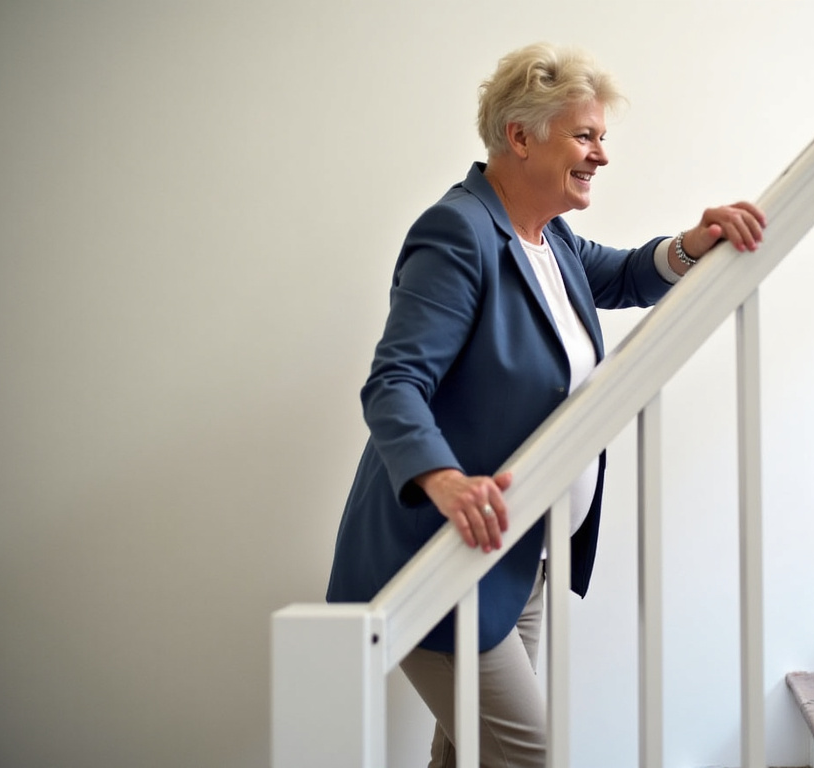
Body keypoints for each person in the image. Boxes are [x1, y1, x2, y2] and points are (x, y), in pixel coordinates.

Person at [325, 43, 766, 767]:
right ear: (520, 137)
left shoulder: (546, 236)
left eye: (601, 137)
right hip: (437, 562)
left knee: (469, 758)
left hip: (512, 559)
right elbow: (394, 382)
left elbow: (621, 274)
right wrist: (445, 480)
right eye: (585, 135)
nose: (601, 155)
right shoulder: (459, 233)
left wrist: (692, 244)